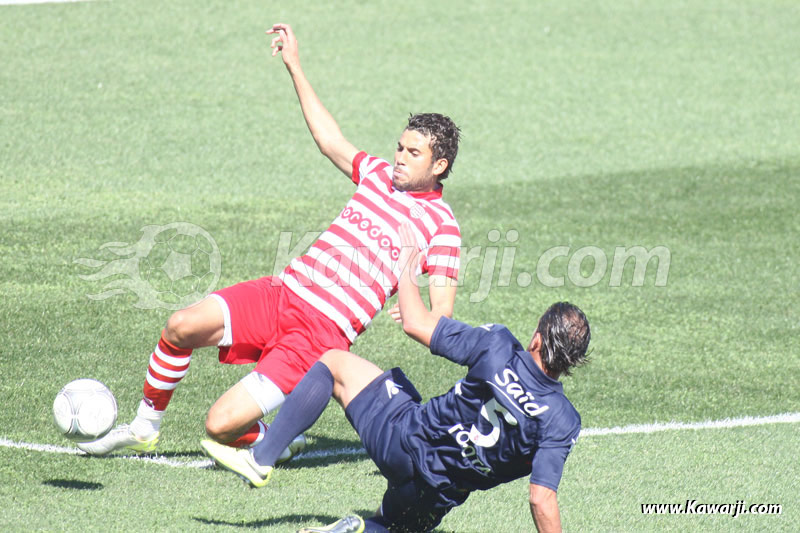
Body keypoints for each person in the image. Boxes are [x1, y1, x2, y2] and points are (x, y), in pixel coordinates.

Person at [78, 23, 462, 458]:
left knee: (218, 426)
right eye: (399, 147)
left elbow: (442, 319)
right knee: (180, 326)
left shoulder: (442, 226)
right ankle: (145, 426)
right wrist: (294, 66)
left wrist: (414, 304)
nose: (398, 158)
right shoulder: (376, 174)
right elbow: (329, 140)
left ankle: (275, 441)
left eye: (413, 154)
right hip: (281, 294)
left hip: (320, 333)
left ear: (440, 164)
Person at [201, 224, 591, 533]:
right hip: (437, 495)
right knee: (393, 524)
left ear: (537, 338)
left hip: (403, 442)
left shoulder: (499, 347)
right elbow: (542, 498)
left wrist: (407, 264)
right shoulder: (562, 420)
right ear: (573, 361)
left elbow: (419, 325)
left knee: (334, 362)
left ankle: (261, 458)